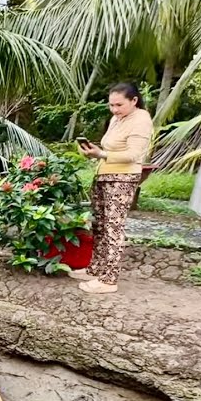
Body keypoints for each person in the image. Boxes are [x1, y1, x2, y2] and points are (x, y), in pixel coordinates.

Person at [75, 83, 154, 295]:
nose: (114, 109)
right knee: (99, 225)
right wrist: (93, 152)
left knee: (113, 227)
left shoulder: (141, 120)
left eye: (119, 105)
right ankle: (96, 269)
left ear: (134, 101)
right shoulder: (116, 119)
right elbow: (108, 148)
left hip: (122, 178)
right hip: (103, 175)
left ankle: (109, 279)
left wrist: (102, 155)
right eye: (111, 105)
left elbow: (134, 154)